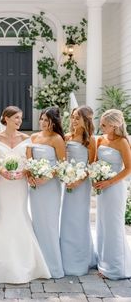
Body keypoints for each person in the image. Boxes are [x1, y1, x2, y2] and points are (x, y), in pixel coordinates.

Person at [0, 106, 51, 284]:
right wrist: (2, 171)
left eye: (20, 118)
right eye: (16, 118)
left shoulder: (26, 139)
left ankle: (26, 264)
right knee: (4, 217)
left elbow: (28, 162)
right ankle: (0, 266)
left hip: (20, 185)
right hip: (3, 185)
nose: (19, 121)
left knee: (20, 216)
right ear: (5, 118)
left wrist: (24, 173)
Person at [26, 106, 65, 278]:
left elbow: (62, 164)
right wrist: (30, 175)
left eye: (46, 121)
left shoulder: (57, 139)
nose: (43, 123)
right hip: (35, 186)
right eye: (41, 119)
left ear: (53, 122)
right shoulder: (33, 137)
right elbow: (27, 160)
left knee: (49, 223)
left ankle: (53, 266)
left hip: (50, 186)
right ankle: (38, 263)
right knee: (37, 221)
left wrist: (47, 177)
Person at [94, 109, 131, 279]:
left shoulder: (122, 142)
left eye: (104, 124)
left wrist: (109, 182)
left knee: (114, 226)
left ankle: (116, 268)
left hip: (115, 188)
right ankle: (104, 263)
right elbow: (95, 162)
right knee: (102, 224)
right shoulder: (100, 139)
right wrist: (96, 177)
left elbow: (129, 168)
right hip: (102, 188)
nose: (100, 127)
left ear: (114, 125)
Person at [60, 106, 97, 276]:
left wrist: (78, 181)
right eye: (73, 117)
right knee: (67, 218)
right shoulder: (66, 137)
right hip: (67, 183)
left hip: (81, 185)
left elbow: (91, 166)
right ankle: (66, 257)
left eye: (77, 118)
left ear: (86, 120)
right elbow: (62, 161)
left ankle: (81, 258)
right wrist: (66, 177)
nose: (73, 121)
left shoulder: (90, 141)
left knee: (79, 218)